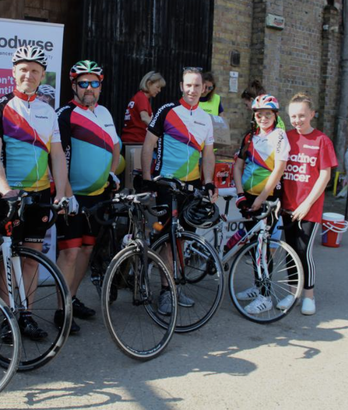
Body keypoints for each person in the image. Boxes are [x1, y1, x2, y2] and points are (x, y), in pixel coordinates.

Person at [0, 45, 70, 340]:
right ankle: (7, 317)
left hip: (41, 195)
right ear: (13, 72)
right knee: (8, 259)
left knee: (33, 257)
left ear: (42, 75)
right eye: (23, 69)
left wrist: (60, 194)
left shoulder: (48, 111)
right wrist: (6, 191)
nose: (28, 75)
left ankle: (27, 316)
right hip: (12, 197)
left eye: (34, 70)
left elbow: (57, 156)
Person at [141, 67, 217, 316]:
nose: (193, 90)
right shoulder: (167, 110)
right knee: (169, 239)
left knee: (183, 238)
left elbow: (208, 154)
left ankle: (174, 285)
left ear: (204, 88)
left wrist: (208, 182)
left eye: (197, 86)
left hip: (191, 186)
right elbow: (148, 143)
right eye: (189, 85)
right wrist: (147, 178)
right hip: (166, 184)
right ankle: (165, 290)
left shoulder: (206, 119)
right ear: (181, 87)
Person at [55, 60, 120, 334]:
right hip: (74, 197)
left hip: (98, 196)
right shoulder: (65, 114)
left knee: (87, 250)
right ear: (74, 86)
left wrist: (112, 174)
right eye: (84, 83)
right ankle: (61, 311)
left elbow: (116, 146)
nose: (90, 88)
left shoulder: (104, 112)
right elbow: (57, 158)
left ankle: (70, 298)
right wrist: (66, 194)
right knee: (69, 253)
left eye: (95, 83)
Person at [281, 93, 338, 316]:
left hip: (309, 208)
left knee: (304, 252)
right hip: (287, 205)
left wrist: (306, 204)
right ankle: (291, 292)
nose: (297, 120)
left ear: (312, 114)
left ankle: (309, 295)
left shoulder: (321, 140)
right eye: (293, 116)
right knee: (289, 251)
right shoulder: (286, 138)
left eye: (302, 115)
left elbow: (325, 176)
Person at [232, 94, 290, 314]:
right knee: (253, 247)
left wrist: (262, 197)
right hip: (247, 196)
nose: (263, 117)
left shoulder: (280, 137)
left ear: (275, 115)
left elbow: (279, 170)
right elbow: (238, 166)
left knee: (263, 248)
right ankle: (258, 287)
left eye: (268, 114)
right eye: (259, 114)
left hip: (267, 200)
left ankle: (266, 296)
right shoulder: (249, 137)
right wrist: (239, 193)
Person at [120, 71, 166, 144]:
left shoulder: (139, 97)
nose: (159, 90)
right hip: (136, 140)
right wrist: (159, 131)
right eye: (157, 87)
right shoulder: (142, 98)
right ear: (149, 84)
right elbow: (144, 117)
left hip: (131, 140)